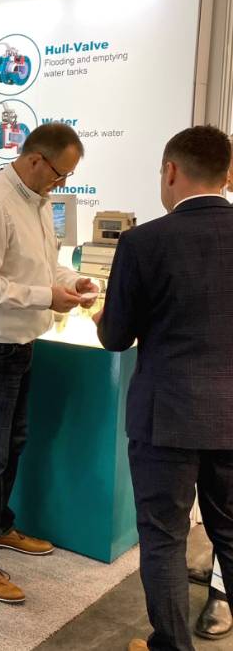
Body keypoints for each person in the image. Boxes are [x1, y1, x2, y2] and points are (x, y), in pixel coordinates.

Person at [0, 123, 97, 604]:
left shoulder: (36, 201)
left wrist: (70, 282)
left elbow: (45, 266)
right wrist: (46, 296)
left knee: (12, 444)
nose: (62, 183)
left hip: (18, 342)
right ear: (34, 160)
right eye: (60, 173)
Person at [94, 125, 233, 651]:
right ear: (227, 175)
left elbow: (116, 337)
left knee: (164, 538)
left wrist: (103, 318)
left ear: (171, 171)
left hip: (166, 417)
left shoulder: (143, 242)